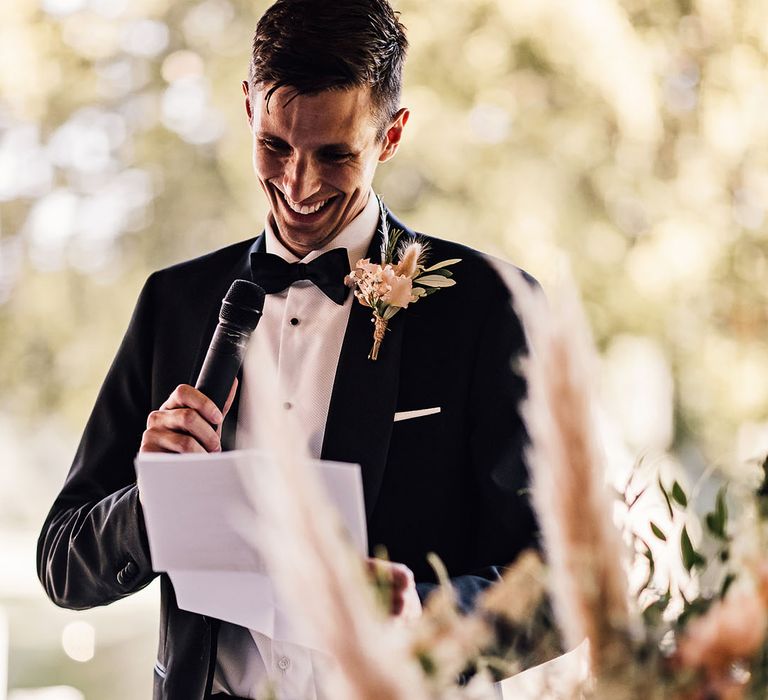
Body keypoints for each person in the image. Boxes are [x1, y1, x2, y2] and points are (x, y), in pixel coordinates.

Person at [37, 1, 538, 698]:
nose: (298, 186)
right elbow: (62, 565)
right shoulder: (173, 304)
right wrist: (153, 501)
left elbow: (566, 586)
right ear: (248, 107)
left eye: (334, 154)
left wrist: (419, 616)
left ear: (391, 135)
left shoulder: (489, 308)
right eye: (276, 146)